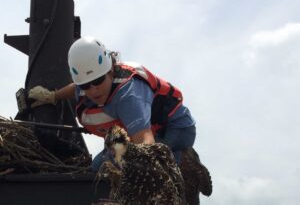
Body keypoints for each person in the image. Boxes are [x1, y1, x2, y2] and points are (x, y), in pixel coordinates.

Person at [29, 37, 212, 197]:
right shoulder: (89, 79)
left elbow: (145, 141)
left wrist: (138, 172)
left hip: (176, 129)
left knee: (149, 162)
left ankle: (184, 160)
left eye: (98, 81)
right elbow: (75, 88)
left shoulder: (128, 97)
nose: (93, 89)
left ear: (110, 70)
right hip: (140, 133)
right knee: (98, 169)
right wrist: (52, 96)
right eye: (86, 85)